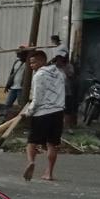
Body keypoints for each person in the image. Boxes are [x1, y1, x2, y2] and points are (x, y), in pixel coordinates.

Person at [22, 50, 65, 181]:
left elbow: (37, 98)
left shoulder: (39, 75)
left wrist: (28, 112)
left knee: (32, 142)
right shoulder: (59, 73)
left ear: (42, 61)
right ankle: (49, 172)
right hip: (58, 112)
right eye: (30, 63)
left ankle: (31, 162)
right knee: (52, 144)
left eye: (33, 62)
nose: (31, 66)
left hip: (42, 113)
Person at [2, 45, 28, 113]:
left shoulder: (28, 63)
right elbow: (11, 74)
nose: (17, 55)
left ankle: (21, 119)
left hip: (21, 88)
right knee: (8, 104)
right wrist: (8, 84)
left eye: (19, 54)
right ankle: (5, 117)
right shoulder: (16, 62)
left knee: (21, 104)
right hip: (13, 87)